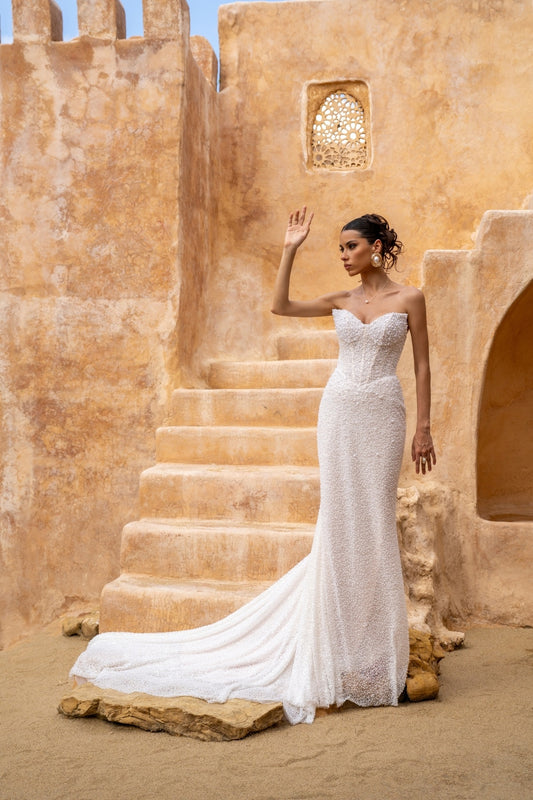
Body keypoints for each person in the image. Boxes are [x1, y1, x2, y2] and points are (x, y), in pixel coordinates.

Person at [69, 209, 436, 725]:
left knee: (374, 524)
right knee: (337, 523)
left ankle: (377, 658)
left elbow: (421, 364)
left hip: (383, 412)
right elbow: (280, 304)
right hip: (338, 411)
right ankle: (337, 651)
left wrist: (424, 427)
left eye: (350, 246)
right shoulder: (340, 301)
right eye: (339, 248)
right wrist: (290, 248)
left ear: (376, 247)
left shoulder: (410, 298)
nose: (343, 255)